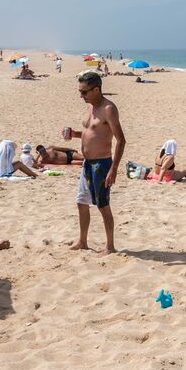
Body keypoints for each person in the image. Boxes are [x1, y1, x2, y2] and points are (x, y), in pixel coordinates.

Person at [67, 72, 126, 254]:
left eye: (84, 92)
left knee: (102, 205)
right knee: (81, 202)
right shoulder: (91, 107)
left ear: (96, 90)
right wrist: (74, 134)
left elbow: (121, 140)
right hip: (87, 164)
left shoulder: (108, 108)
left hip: (102, 164)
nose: (81, 96)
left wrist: (113, 169)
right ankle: (82, 241)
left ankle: (110, 246)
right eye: (80, 92)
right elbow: (91, 132)